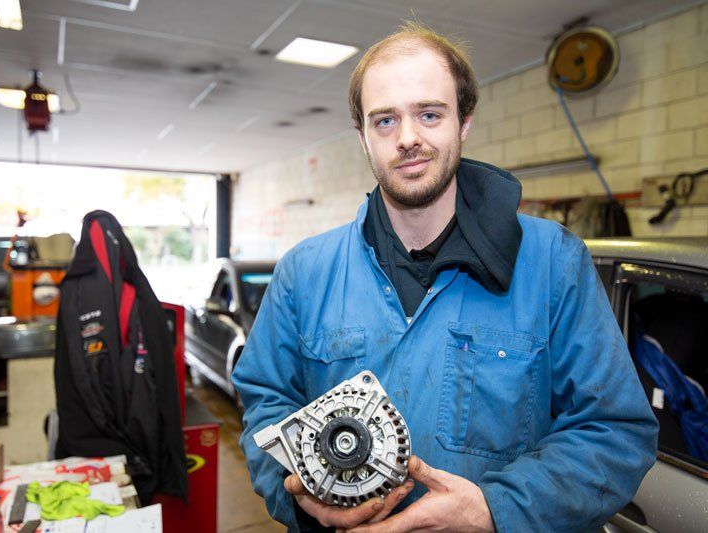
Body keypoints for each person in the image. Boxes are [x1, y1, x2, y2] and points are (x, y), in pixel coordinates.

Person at [232, 22, 658, 532]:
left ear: (464, 122)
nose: (408, 138)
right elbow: (267, 408)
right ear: (362, 137)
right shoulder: (305, 272)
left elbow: (615, 431)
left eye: (429, 114)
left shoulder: (552, 262)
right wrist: (300, 497)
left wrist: (494, 510)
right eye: (384, 121)